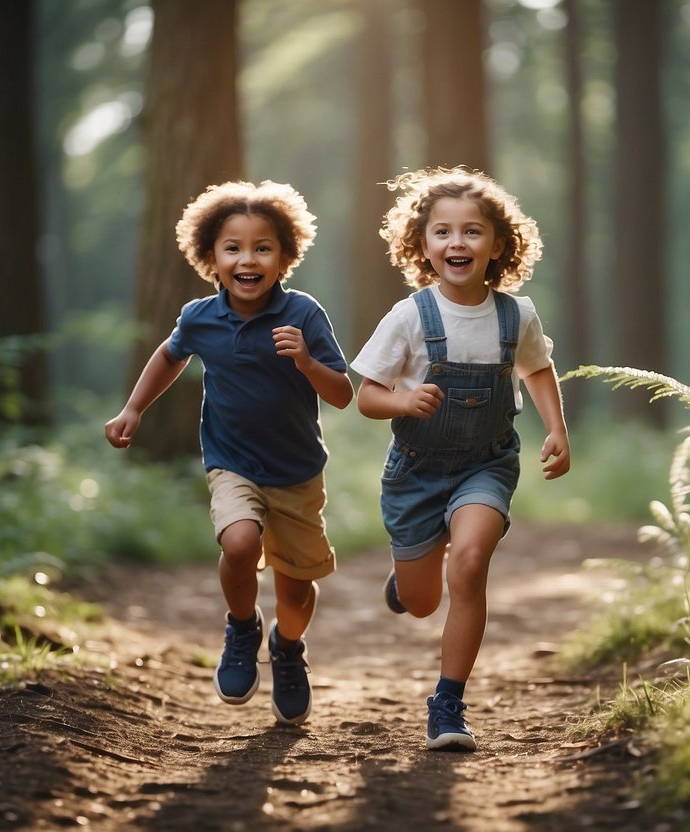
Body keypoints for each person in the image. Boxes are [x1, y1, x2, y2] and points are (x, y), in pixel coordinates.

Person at [105, 180, 353, 727]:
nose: (248, 259)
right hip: (231, 462)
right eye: (233, 247)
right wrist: (133, 409)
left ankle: (287, 649)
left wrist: (308, 363)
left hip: (297, 473)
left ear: (285, 257)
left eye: (262, 247)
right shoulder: (200, 318)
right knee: (239, 542)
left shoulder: (304, 314)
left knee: (296, 588)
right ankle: (242, 628)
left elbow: (342, 392)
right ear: (211, 257)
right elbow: (169, 357)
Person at [351, 167, 571, 751]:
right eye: (442, 232)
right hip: (417, 473)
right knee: (422, 603)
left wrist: (557, 431)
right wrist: (402, 399)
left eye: (472, 232)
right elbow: (365, 395)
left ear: (499, 245)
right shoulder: (409, 316)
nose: (457, 244)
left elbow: (538, 370)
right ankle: (405, 585)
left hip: (486, 465)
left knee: (470, 565)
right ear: (421, 244)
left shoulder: (515, 315)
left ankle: (447, 705)